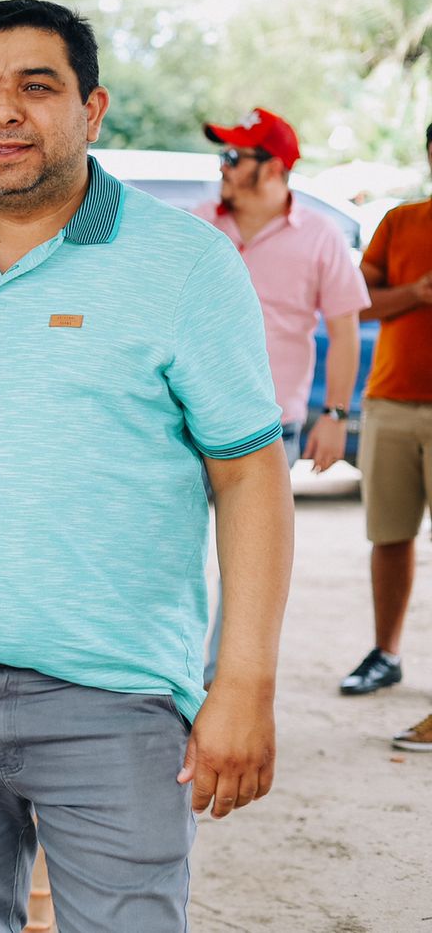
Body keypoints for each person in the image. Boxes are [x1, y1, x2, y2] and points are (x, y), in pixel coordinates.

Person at [0, 0, 293, 932]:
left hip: (117, 700)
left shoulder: (187, 264)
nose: (3, 112)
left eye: (35, 87)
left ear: (92, 111)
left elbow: (248, 475)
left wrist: (243, 682)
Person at [192, 107, 369, 684]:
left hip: (273, 431)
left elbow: (344, 331)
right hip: (182, 427)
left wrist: (336, 415)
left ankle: (224, 690)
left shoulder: (320, 236)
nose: (222, 167)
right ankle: (170, 684)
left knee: (248, 571)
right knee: (170, 562)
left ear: (272, 170)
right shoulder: (196, 226)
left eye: (233, 157)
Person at [345, 121, 432, 747]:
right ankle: (385, 653)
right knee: (389, 535)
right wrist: (416, 291)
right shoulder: (402, 222)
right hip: (391, 400)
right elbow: (359, 300)